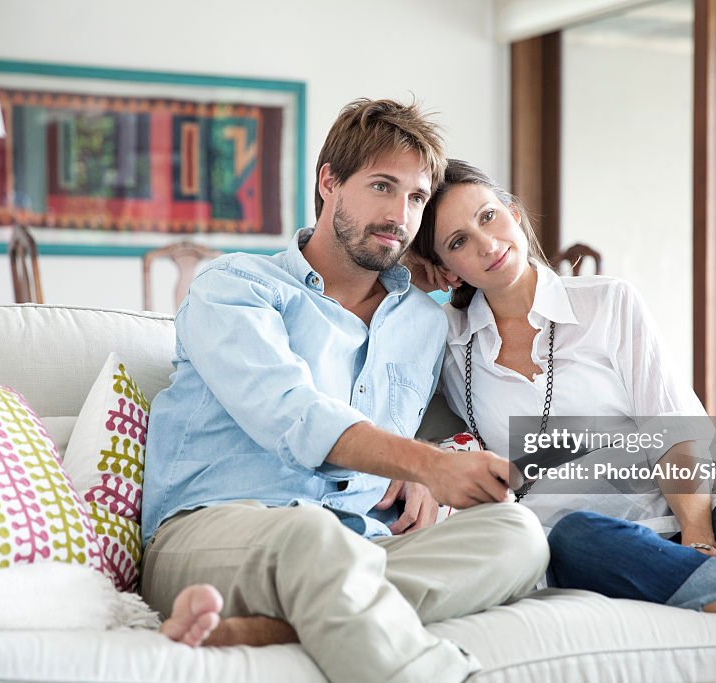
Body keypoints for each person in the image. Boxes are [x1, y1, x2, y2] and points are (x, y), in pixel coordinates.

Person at [406, 158, 716, 660]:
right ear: (447, 268)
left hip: (695, 507)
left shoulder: (607, 303)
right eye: (458, 242)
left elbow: (672, 425)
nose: (486, 243)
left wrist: (697, 537)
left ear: (514, 213)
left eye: (488, 216)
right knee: (575, 537)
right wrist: (413, 271)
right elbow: (378, 325)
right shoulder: (447, 344)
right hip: (587, 538)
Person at [140, 101, 549, 683]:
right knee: (310, 534)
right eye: (382, 186)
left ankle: (266, 632)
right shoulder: (235, 287)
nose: (399, 214)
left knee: (518, 537)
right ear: (329, 181)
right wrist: (425, 463)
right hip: (211, 535)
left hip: (359, 545)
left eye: (415, 199)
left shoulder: (424, 323)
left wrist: (439, 465)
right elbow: (291, 414)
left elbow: (440, 433)